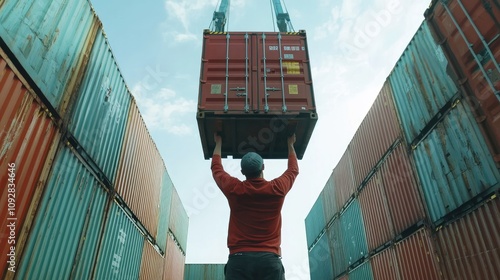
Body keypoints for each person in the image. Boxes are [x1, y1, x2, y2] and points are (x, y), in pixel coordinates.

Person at [211, 133, 299, 280]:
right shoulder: (277, 189)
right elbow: (293, 170)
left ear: (242, 172)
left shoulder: (235, 190)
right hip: (269, 260)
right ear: (263, 166)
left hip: (239, 261)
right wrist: (290, 144)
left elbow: (216, 169)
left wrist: (218, 142)